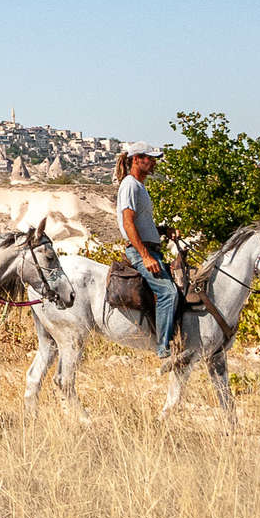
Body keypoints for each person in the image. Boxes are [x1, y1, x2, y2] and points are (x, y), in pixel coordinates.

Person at [116, 141, 178, 357]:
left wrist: (162, 230)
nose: (153, 163)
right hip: (142, 252)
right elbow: (128, 223)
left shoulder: (139, 186)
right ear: (136, 159)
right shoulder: (130, 185)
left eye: (154, 159)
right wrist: (145, 256)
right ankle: (163, 348)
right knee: (167, 293)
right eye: (149, 158)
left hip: (151, 248)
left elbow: (141, 223)